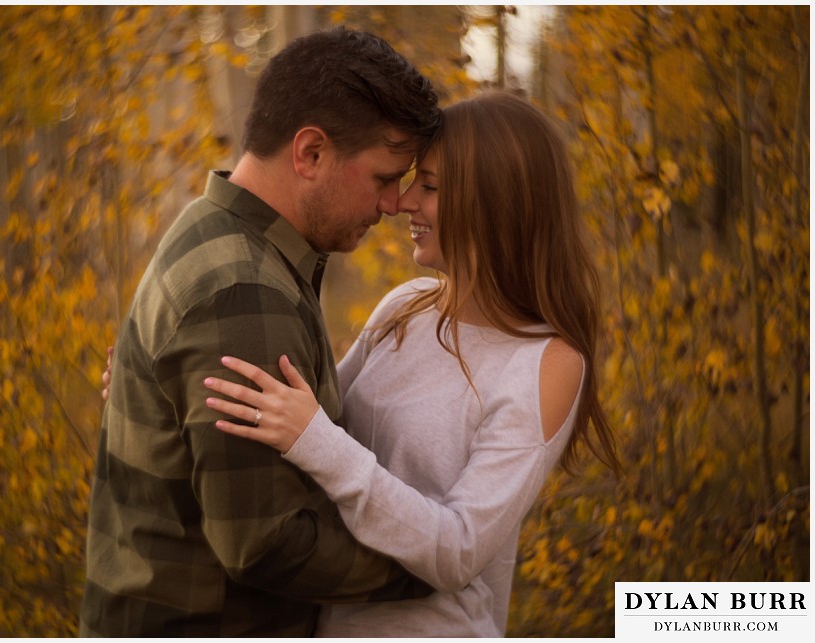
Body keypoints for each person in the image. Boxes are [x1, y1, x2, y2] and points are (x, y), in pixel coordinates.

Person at [200, 91, 622, 637]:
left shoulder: (547, 363)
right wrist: (176, 384)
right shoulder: (404, 307)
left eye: (431, 187)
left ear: (494, 203)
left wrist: (317, 441)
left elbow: (458, 550)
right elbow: (303, 420)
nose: (402, 204)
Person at [80, 28, 441, 637]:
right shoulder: (242, 289)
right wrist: (434, 564)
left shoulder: (218, 233)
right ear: (310, 154)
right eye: (383, 178)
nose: (391, 204)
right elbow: (267, 542)